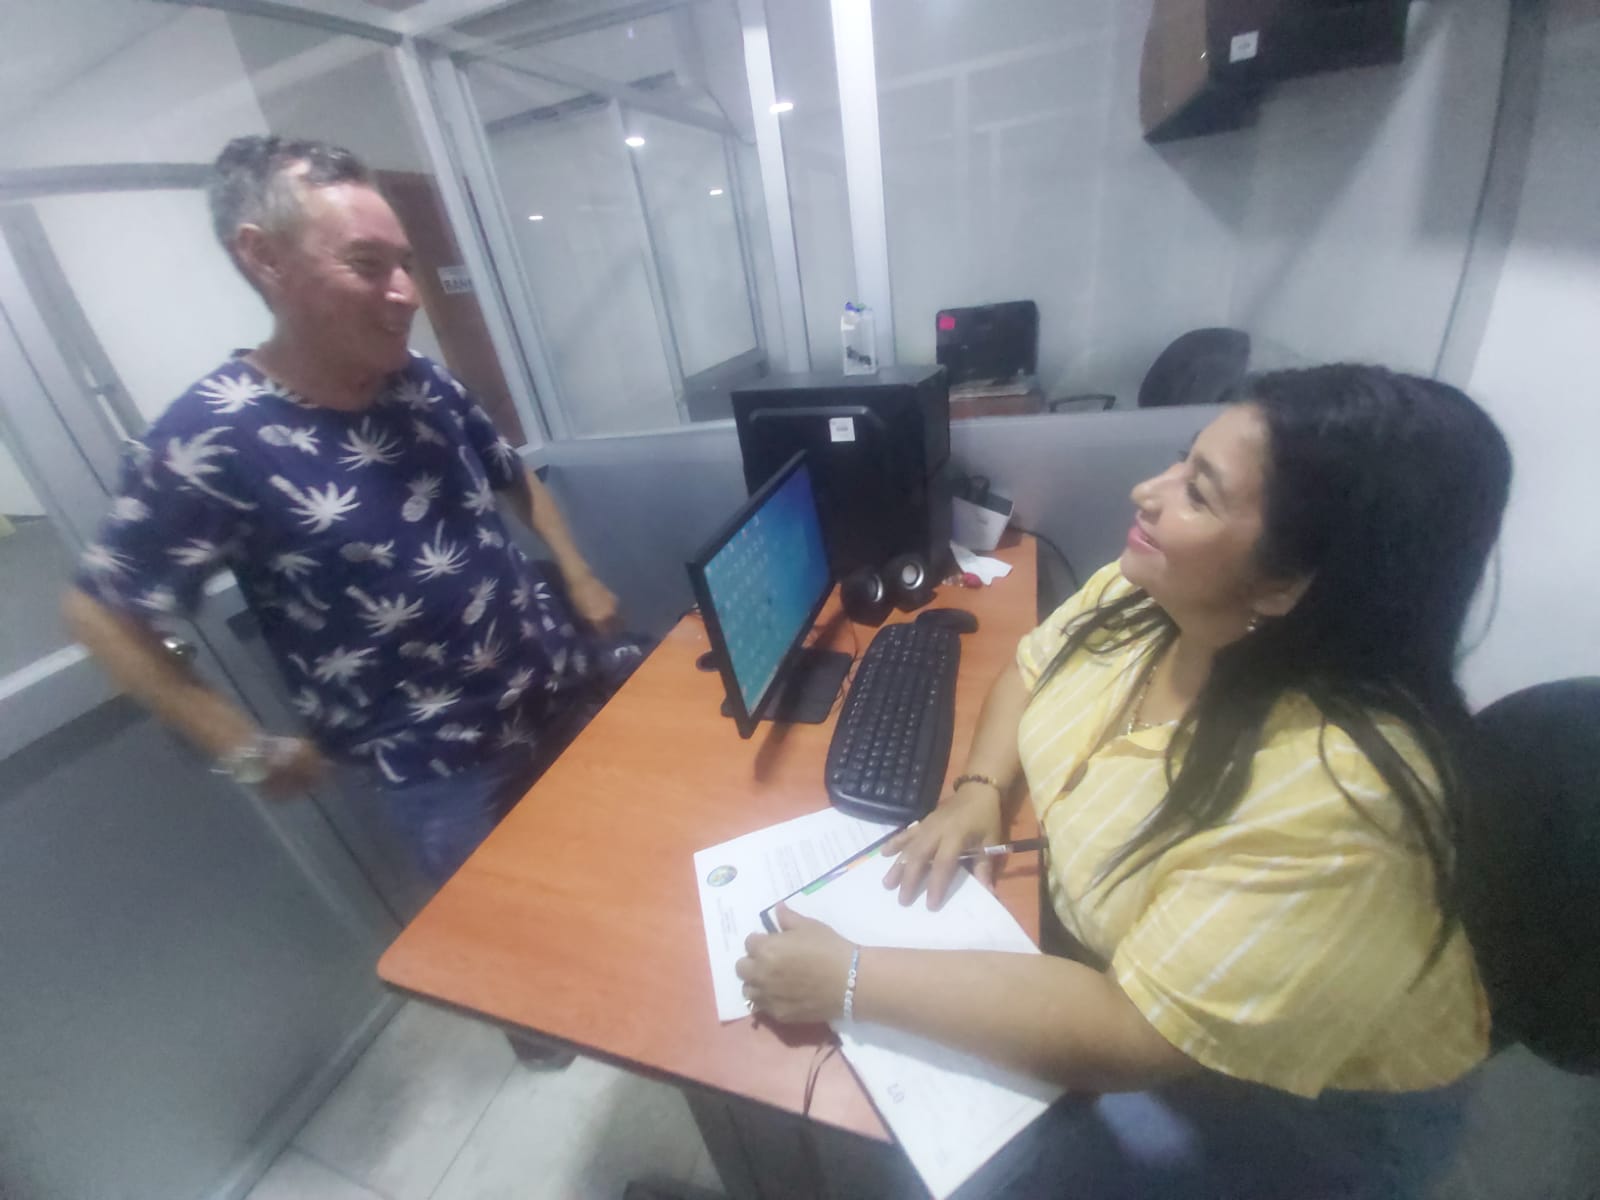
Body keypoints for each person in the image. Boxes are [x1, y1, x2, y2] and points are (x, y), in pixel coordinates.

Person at [737, 365, 1513, 1197]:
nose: (1149, 491)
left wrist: (850, 980)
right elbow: (1032, 668)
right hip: (1128, 976)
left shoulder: (1341, 802)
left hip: (1286, 1099)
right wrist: (979, 788)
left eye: (1199, 493)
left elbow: (1137, 1033)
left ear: (1287, 583)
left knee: (951, 1181)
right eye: (1183, 460)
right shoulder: (1153, 594)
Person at [63, 135, 621, 887]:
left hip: (565, 686)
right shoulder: (211, 437)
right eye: (368, 264)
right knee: (537, 932)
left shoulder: (421, 381)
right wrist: (239, 744)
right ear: (265, 258)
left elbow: (509, 473)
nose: (406, 292)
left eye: (404, 264)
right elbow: (100, 613)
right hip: (452, 773)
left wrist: (579, 577)